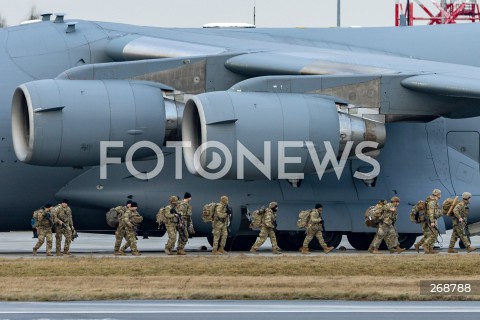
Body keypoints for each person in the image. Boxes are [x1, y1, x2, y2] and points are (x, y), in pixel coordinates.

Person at [423, 189, 442, 254]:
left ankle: (431, 249)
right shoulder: (432, 202)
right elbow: (431, 212)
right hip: (432, 220)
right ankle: (425, 244)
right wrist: (432, 221)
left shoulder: (435, 201)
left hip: (434, 219)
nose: (440, 195)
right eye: (440, 194)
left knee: (435, 234)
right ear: (437, 194)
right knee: (434, 234)